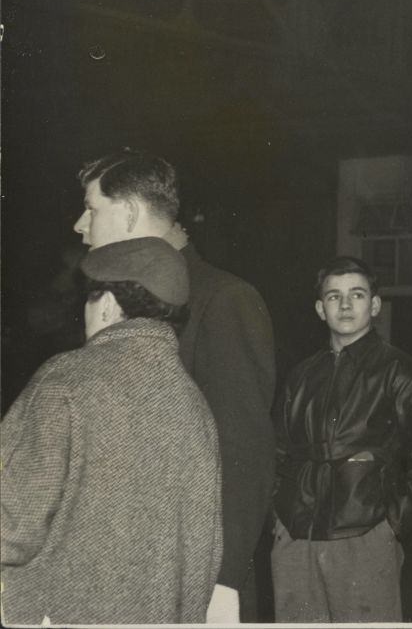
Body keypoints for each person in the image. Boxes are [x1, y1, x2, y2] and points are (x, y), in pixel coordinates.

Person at [72, 148, 276, 623]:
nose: (80, 225)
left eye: (91, 208)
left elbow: (244, 452)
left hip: (191, 576)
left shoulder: (224, 299)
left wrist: (222, 581)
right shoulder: (113, 299)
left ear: (128, 215)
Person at [1, 237, 222, 624]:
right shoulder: (196, 406)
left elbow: (12, 523)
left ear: (106, 305)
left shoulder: (66, 379)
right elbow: (205, 553)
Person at [272, 255, 412, 622]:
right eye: (334, 296)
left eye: (356, 294)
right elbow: (276, 451)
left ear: (375, 305)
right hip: (296, 535)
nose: (346, 304)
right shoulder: (301, 376)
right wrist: (277, 516)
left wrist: (390, 525)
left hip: (364, 535)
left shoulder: (400, 371)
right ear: (321, 309)